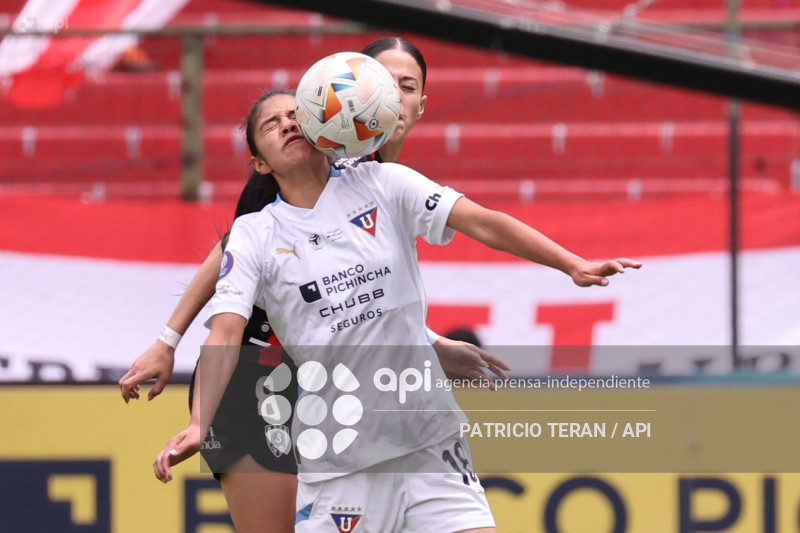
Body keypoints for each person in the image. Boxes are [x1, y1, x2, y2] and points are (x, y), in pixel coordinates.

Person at [152, 89, 641, 532]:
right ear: (260, 163)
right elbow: (225, 333)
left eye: (295, 115)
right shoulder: (254, 235)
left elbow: (483, 222)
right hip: (342, 457)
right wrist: (199, 422)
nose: (286, 124)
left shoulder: (385, 183)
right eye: (270, 124)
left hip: (430, 440)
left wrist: (571, 263)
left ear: (323, 127)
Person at [120, 37, 509, 533]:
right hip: (256, 385)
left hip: (335, 402)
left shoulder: (379, 183)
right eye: (382, 80)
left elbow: (358, 305)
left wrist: (426, 343)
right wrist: (167, 340)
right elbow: (227, 261)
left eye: (406, 85)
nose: (392, 93)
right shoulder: (296, 171)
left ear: (420, 103)